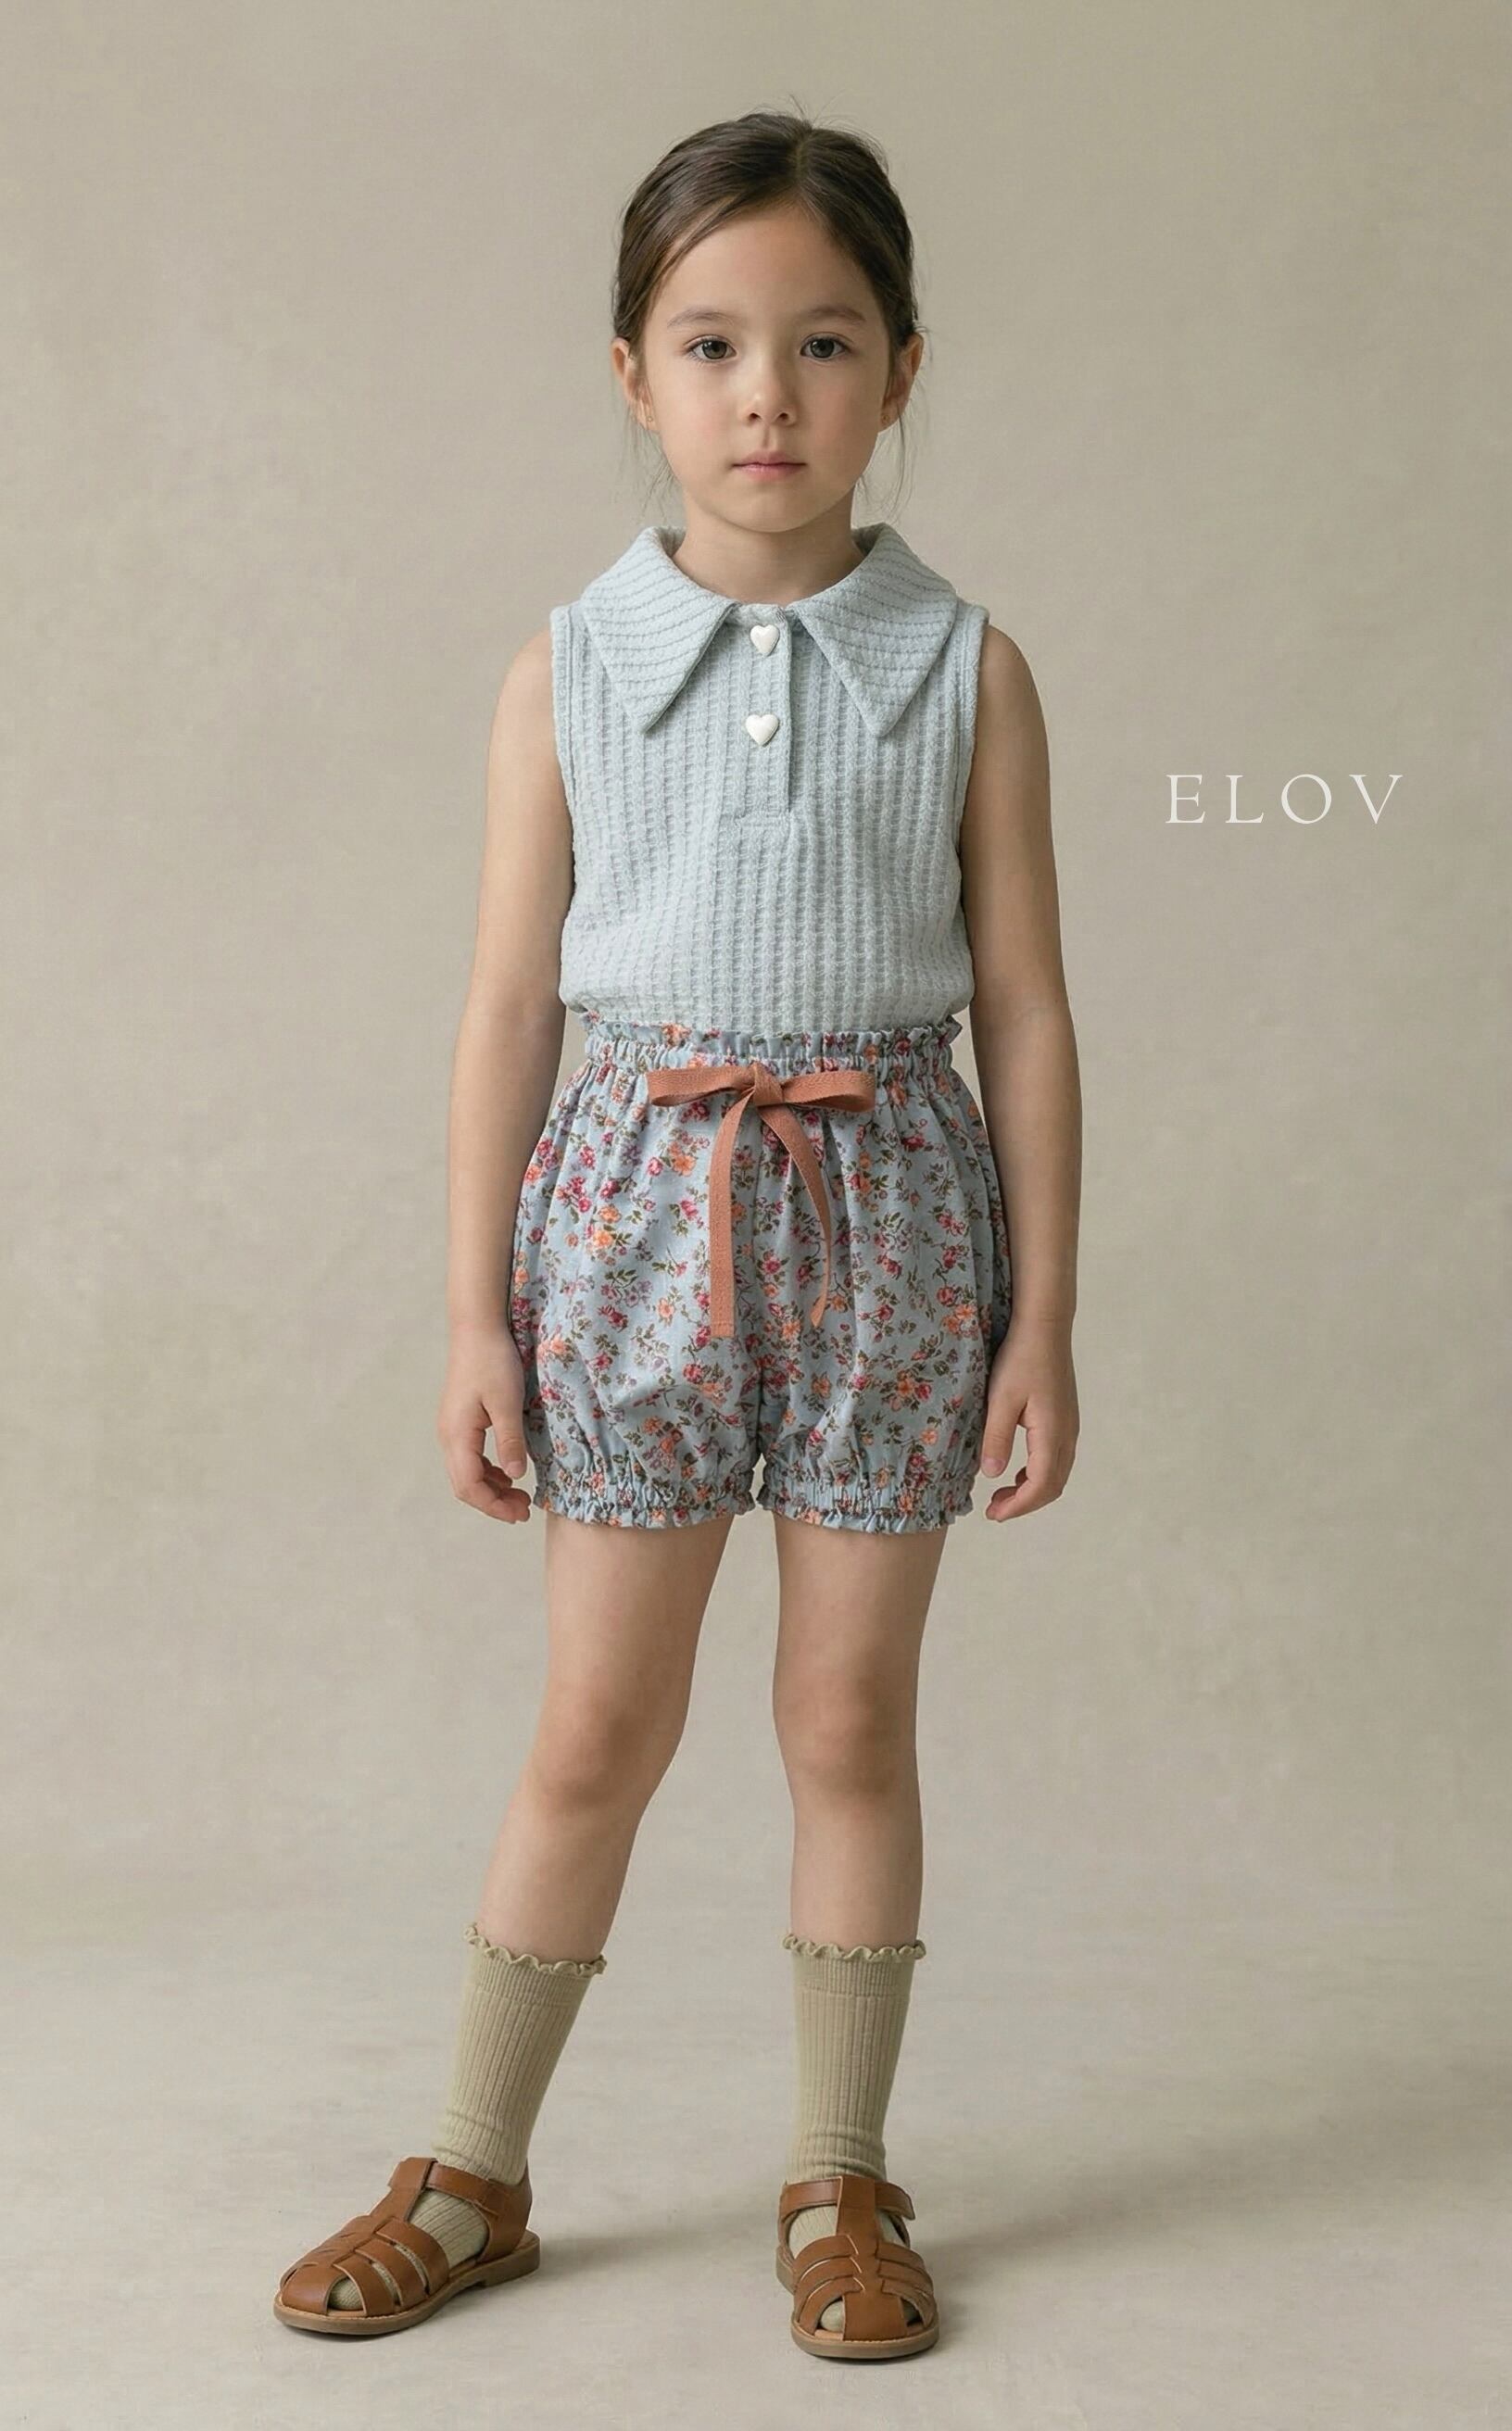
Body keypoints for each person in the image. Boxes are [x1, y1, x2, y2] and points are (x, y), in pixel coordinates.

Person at [274, 107, 1081, 2361]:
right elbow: (507, 1006)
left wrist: (1044, 1319)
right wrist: (474, 1316)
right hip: (629, 1226)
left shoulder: (968, 668)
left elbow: (1026, 1009)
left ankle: (838, 2174)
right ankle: (472, 2168)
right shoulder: (567, 669)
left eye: (823, 342)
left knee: (847, 1713)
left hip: (896, 1228)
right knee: (595, 1722)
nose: (767, 395)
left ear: (900, 371)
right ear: (632, 374)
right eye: (712, 343)